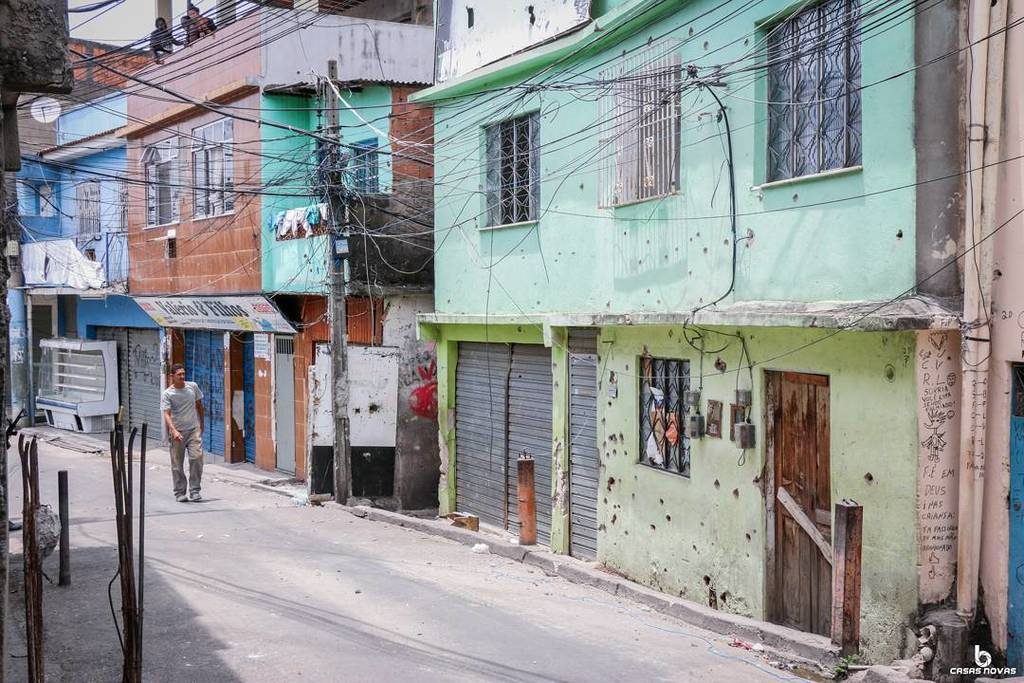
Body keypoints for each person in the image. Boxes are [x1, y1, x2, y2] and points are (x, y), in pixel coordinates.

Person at [161, 363, 205, 502]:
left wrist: (201, 424)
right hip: (178, 432)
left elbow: (199, 406)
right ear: (172, 376)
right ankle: (180, 492)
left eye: (183, 374)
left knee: (197, 458)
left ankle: (195, 490)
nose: (182, 376)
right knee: (177, 464)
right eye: (179, 374)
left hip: (193, 429)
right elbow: (167, 414)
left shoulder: (192, 387)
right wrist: (173, 431)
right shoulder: (168, 394)